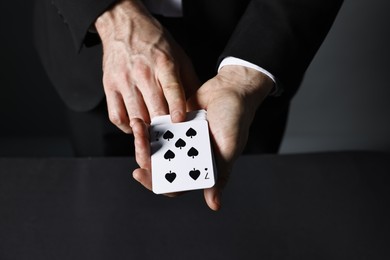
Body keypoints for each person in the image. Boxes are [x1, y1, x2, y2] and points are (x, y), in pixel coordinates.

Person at [33, 0, 343, 210]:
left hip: (253, 40)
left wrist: (244, 79)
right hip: (94, 45)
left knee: (243, 217)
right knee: (105, 216)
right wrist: (114, 15)